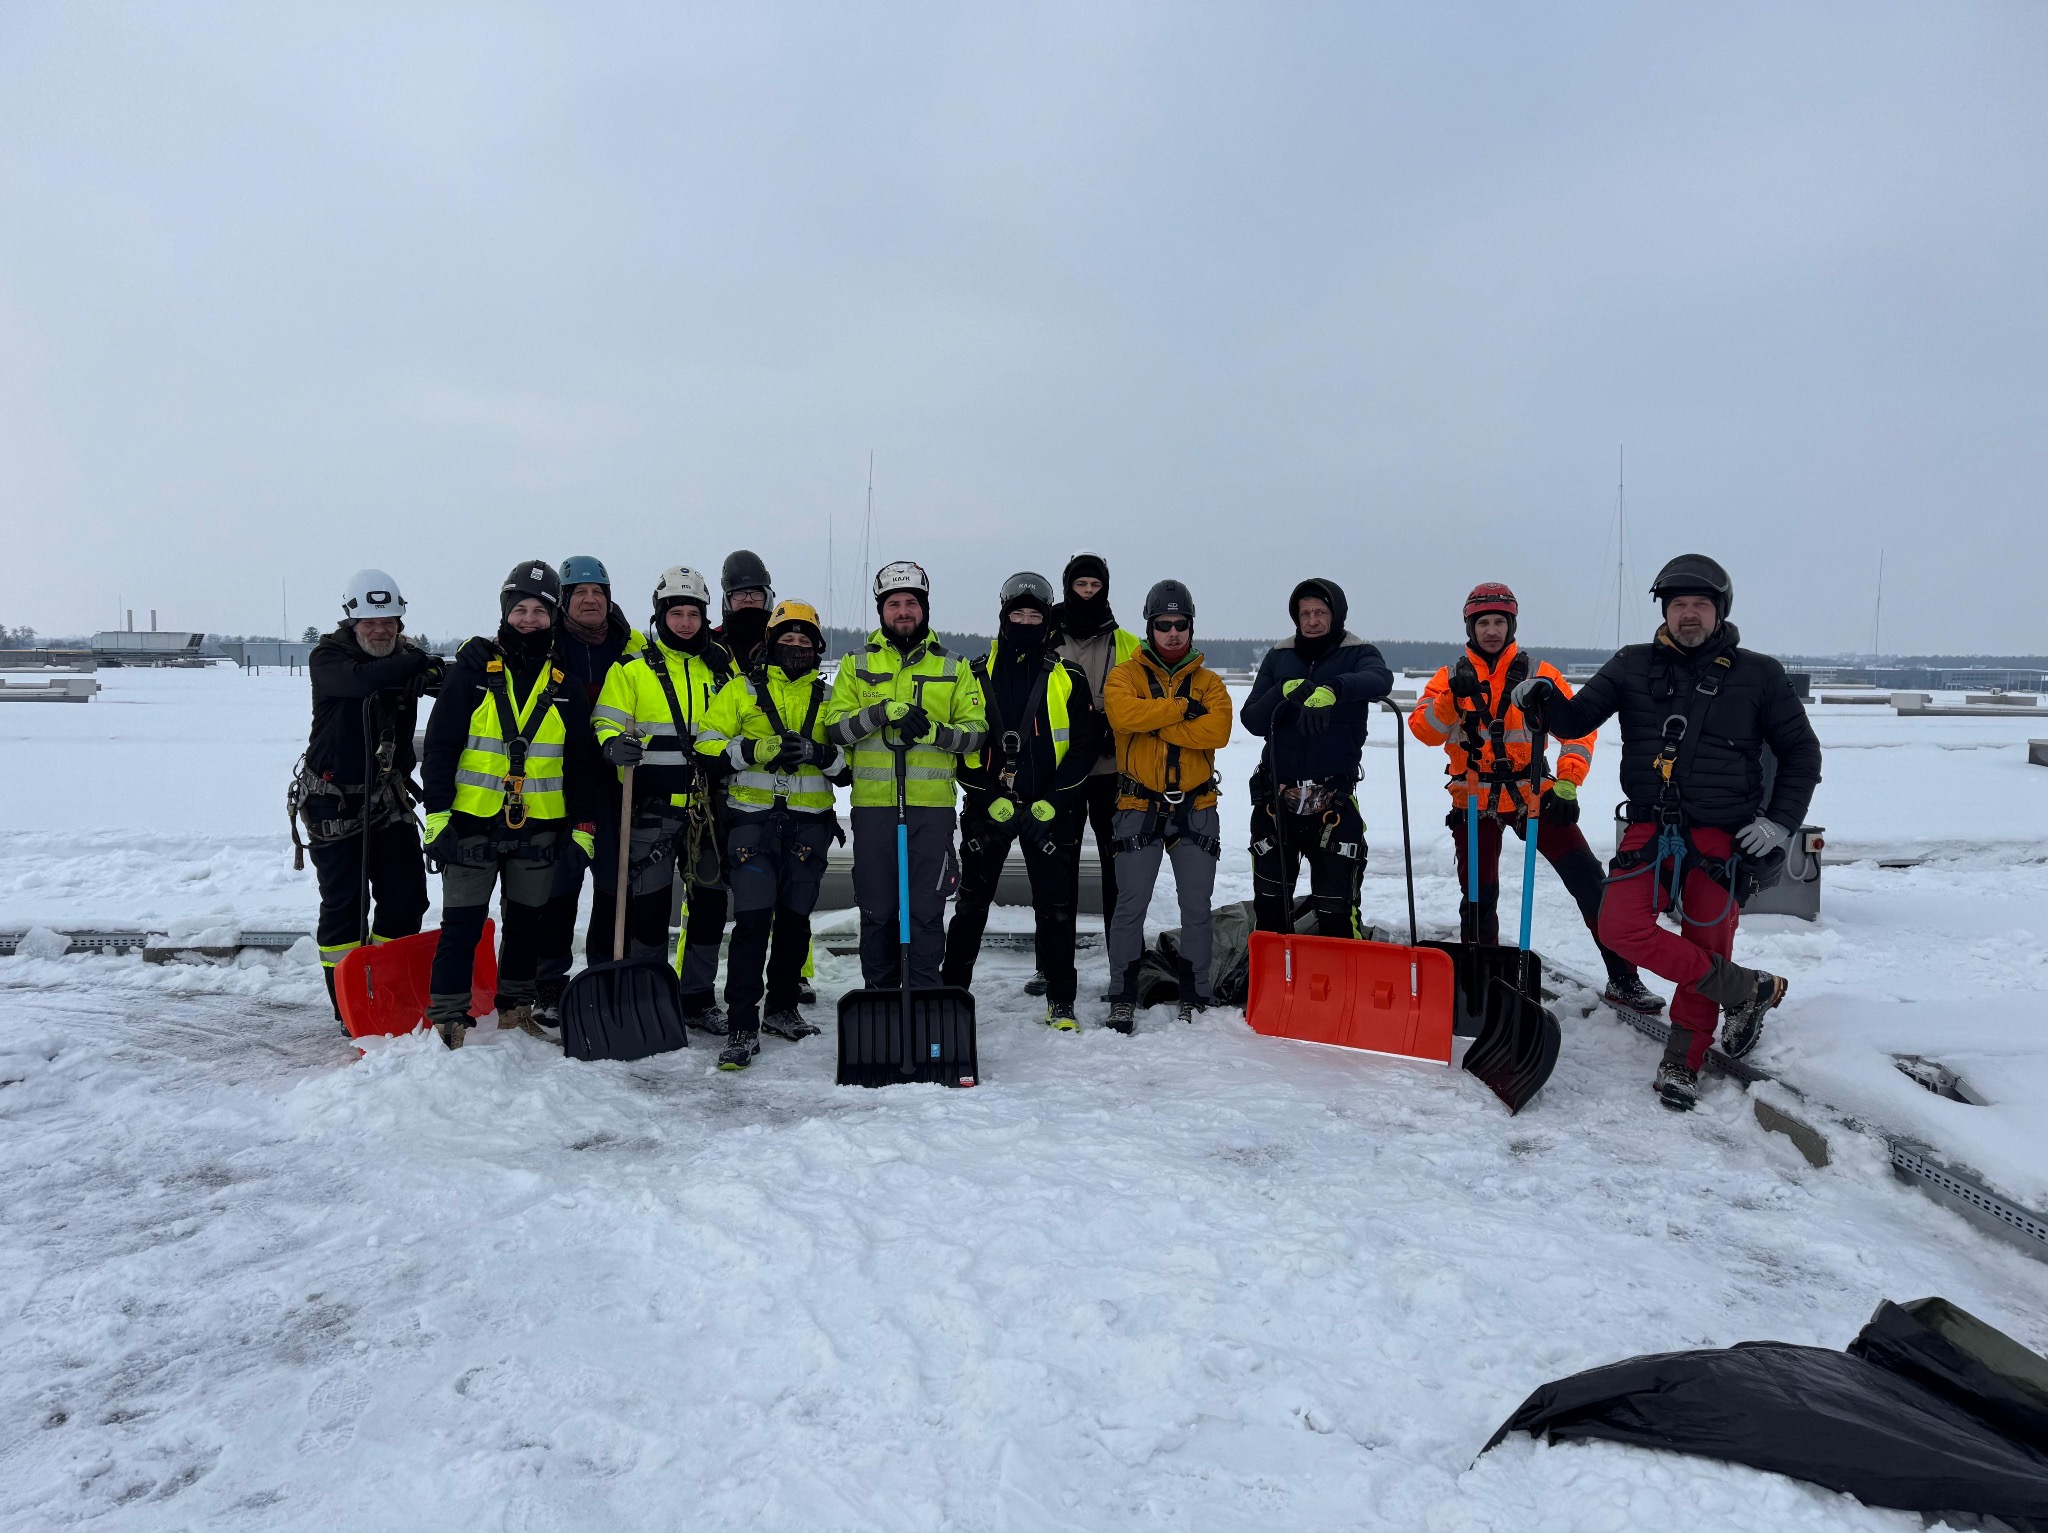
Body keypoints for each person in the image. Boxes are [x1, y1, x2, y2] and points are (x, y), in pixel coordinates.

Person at [1513, 554, 1821, 1111]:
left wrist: (1778, 823)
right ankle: (1746, 989)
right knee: (1618, 925)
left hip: (1724, 838)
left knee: (1706, 944)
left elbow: (1802, 754)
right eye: (1678, 605)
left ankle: (1683, 1058)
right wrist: (1542, 698)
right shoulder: (1631, 665)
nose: (1688, 615)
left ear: (1720, 611)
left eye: (1700, 605)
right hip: (1649, 829)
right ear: (1664, 610)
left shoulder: (1760, 674)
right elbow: (1574, 720)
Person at [1408, 582, 1660, 1013]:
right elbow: (1424, 731)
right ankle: (1481, 980)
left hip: (1535, 795)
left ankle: (1624, 978)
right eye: (1483, 622)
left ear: (1512, 625)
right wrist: (1454, 698)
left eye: (1499, 622)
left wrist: (1567, 782)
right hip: (1474, 800)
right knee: (1478, 895)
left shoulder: (1541, 673)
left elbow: (1577, 730)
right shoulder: (1448, 679)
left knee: (1590, 882)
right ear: (1470, 626)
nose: (1491, 630)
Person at [420, 560, 601, 1048]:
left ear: (553, 617)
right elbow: (440, 748)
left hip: (539, 827)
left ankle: (516, 1009)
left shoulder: (563, 684)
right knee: (461, 926)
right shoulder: (473, 671)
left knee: (526, 926)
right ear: (505, 612)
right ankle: (449, 1017)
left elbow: (582, 764)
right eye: (519, 609)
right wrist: (437, 818)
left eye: (538, 612)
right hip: (470, 824)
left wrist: (582, 827)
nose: (527, 620)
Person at [942, 573, 1098, 1028]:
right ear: (1003, 617)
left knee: (1056, 906)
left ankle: (1061, 999)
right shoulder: (972, 675)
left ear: (1047, 620)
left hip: (1049, 813)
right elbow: (961, 746)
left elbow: (1086, 746)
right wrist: (989, 798)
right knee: (971, 905)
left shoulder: (1068, 677)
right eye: (1018, 614)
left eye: (1036, 615)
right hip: (988, 809)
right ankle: (953, 994)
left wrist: (1052, 802)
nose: (1027, 622)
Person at [694, 600, 846, 1069]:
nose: (795, 647)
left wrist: (821, 754)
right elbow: (705, 744)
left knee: (795, 923)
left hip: (809, 827)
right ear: (770, 644)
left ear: (817, 649)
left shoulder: (830, 697)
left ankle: (782, 1009)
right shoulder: (739, 690)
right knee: (753, 924)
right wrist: (754, 749)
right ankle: (742, 1023)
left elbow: (850, 767)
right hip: (753, 826)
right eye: (787, 639)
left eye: (805, 641)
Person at [824, 559, 987, 989]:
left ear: (924, 608)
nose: (902, 612)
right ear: (881, 611)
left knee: (926, 910)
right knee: (877, 909)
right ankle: (880, 997)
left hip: (931, 811)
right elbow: (835, 728)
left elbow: (976, 735)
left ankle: (923, 996)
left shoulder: (954, 667)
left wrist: (934, 732)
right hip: (874, 808)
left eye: (911, 603)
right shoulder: (855, 664)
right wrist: (878, 714)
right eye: (893, 603)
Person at [589, 567, 737, 1032]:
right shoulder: (632, 670)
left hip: (708, 811)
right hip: (651, 807)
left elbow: (742, 722)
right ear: (661, 616)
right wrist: (613, 745)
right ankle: (649, 992)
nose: (687, 623)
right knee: (649, 910)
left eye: (694, 614)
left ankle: (697, 997)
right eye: (677, 613)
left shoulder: (721, 669)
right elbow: (604, 722)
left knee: (710, 908)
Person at [296, 569, 442, 1023]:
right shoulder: (329, 657)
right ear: (351, 621)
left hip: (387, 799)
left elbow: (454, 687)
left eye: (389, 622)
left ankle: (386, 987)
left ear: (399, 620)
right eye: (370, 623)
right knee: (345, 907)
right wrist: (421, 663)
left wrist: (446, 669)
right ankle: (349, 1007)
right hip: (332, 801)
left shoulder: (404, 657)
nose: (380, 631)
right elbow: (361, 681)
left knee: (405, 900)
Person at [1101, 580, 1234, 1032]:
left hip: (1196, 808)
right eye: (1163, 625)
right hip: (1138, 805)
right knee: (1129, 906)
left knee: (1196, 906)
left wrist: (1154, 721)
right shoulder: (1124, 676)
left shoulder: (1211, 684)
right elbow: (1122, 716)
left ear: (1190, 627)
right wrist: (1181, 708)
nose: (1172, 633)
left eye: (1180, 625)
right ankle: (1122, 992)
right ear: (1150, 627)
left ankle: (1194, 993)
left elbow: (1216, 733)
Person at [1240, 579, 1392, 938]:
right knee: (1271, 908)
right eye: (1305, 613)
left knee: (1335, 910)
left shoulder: (1358, 652)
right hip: (1276, 802)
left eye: (1320, 612)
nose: (1312, 621)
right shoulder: (1279, 656)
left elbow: (1380, 680)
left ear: (1335, 614)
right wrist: (1283, 691)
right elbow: (1251, 720)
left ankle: (1340, 984)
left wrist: (1336, 689)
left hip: (1332, 802)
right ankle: (1278, 985)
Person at [532, 554, 635, 1031]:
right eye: (580, 594)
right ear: (565, 603)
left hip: (619, 785)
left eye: (599, 593)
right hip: (563, 783)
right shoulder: (548, 645)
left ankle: (603, 974)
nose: (591, 600)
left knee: (613, 885)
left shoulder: (630, 647)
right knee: (561, 886)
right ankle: (549, 983)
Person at [1049, 551, 1141, 995]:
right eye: (1081, 585)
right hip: (1059, 772)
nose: (1088, 592)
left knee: (1116, 868)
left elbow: (1140, 696)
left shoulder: (1125, 642)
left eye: (1095, 586)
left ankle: (1121, 965)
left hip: (1109, 769)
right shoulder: (1044, 633)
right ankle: (1050, 966)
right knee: (1056, 868)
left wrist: (1112, 725)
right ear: (1068, 586)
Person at [715, 549, 775, 669]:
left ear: (767, 598)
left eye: (756, 593)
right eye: (740, 593)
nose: (748, 599)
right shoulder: (711, 643)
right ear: (728, 600)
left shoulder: (782, 641)